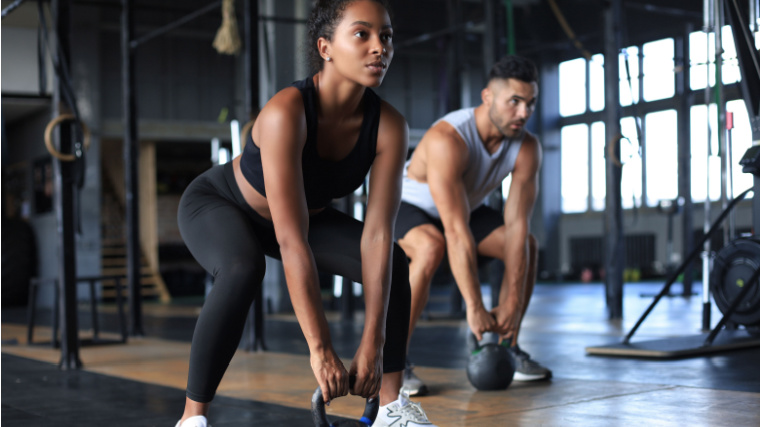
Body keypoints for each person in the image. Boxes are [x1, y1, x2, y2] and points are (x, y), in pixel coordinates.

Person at [174, 1, 435, 426]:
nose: (379, 47)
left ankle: (391, 407)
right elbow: (291, 241)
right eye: (362, 34)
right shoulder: (286, 112)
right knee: (243, 268)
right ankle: (192, 418)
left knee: (396, 260)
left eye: (386, 36)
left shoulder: (389, 126)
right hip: (222, 205)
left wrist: (373, 341)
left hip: (305, 218)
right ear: (325, 47)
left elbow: (375, 236)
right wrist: (321, 348)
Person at [394, 55, 551, 396]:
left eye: (530, 103)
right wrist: (475, 307)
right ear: (488, 97)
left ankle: (508, 346)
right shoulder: (448, 139)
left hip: (466, 209)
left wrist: (510, 303)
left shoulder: (527, 147)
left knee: (528, 244)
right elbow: (456, 231)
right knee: (431, 245)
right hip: (410, 206)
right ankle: (394, 361)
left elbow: (518, 226)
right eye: (514, 102)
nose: (524, 113)